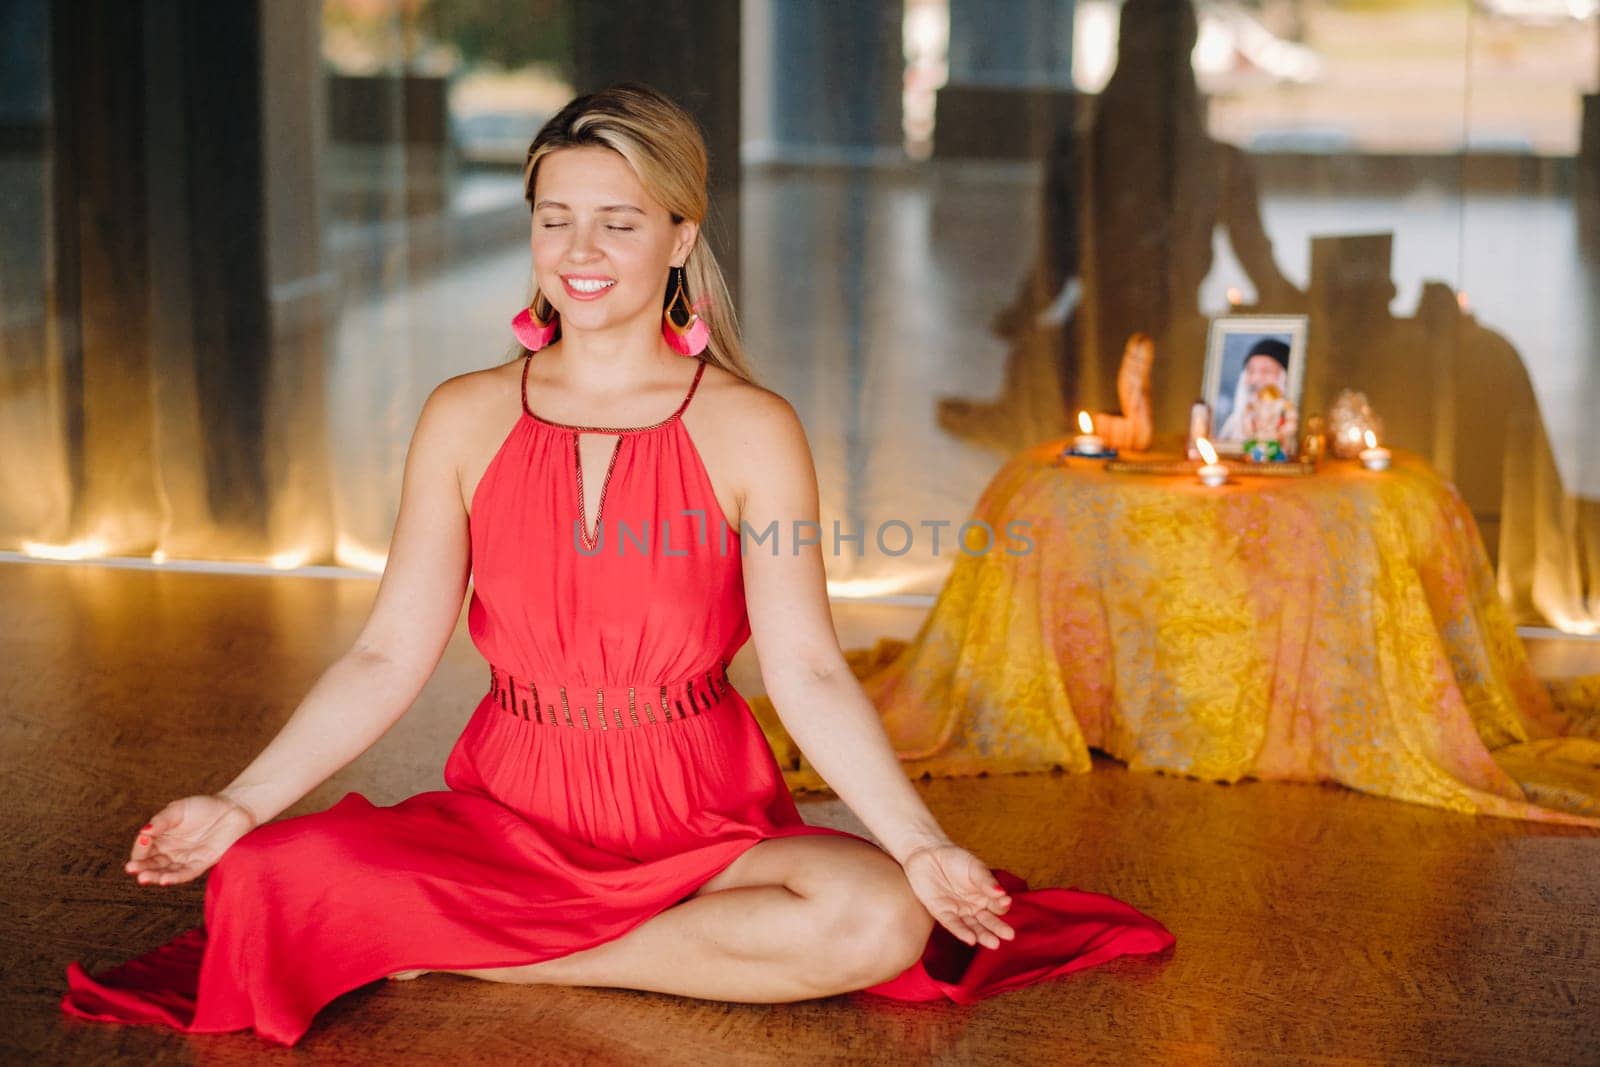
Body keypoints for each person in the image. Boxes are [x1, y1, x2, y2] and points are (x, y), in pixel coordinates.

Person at [61, 84, 1172, 1047]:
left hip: (696, 817)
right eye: (556, 220)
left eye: (617, 223)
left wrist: (920, 844)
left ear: (680, 237)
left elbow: (810, 671)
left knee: (878, 915)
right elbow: (388, 648)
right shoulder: (463, 416)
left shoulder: (750, 428)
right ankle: (505, 927)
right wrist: (242, 801)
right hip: (513, 813)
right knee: (258, 876)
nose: (580, 253)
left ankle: (481, 952)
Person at [1216, 337, 1292, 444]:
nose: (1256, 379)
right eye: (1251, 371)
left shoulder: (1289, 419)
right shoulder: (1233, 423)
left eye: (1267, 371)